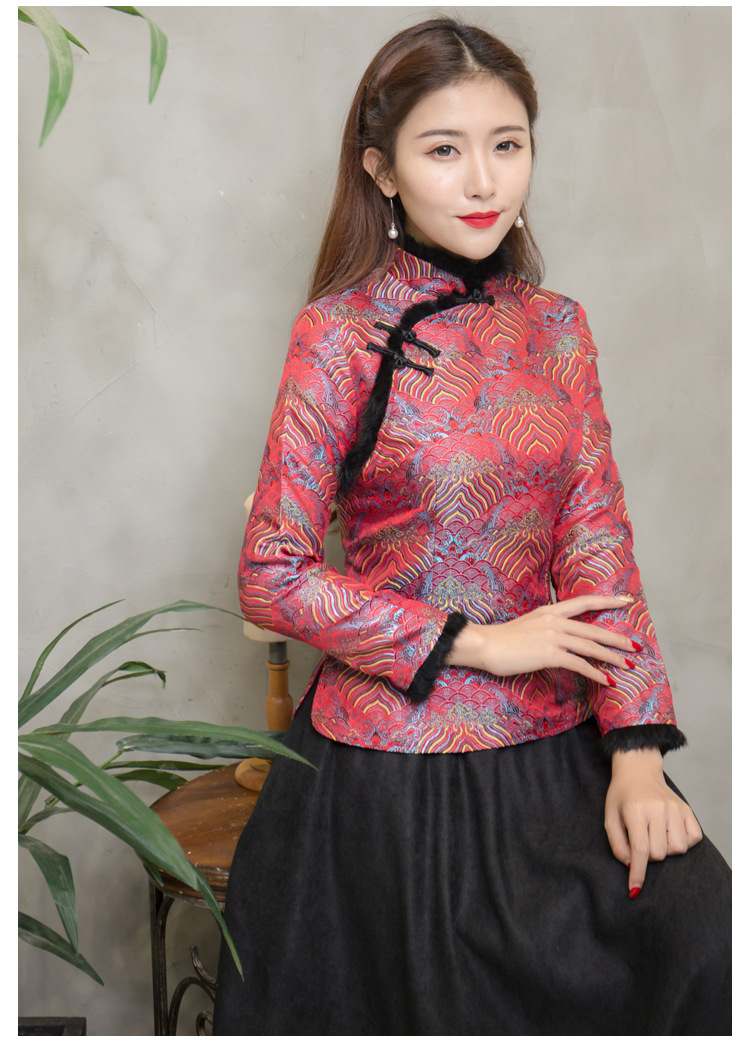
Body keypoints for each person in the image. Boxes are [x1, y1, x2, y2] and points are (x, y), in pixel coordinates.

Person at [213, 18, 731, 1036]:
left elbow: (597, 541)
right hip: (388, 760)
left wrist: (636, 753)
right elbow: (271, 572)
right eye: (444, 149)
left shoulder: (559, 326)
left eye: (508, 143)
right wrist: (481, 643)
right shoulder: (337, 335)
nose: (484, 179)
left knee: (703, 931)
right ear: (383, 170)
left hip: (555, 739)